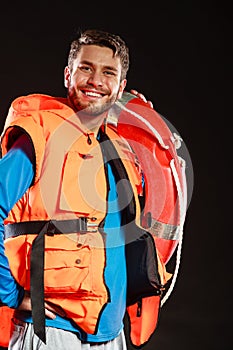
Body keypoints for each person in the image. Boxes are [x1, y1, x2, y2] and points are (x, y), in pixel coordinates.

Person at [0, 29, 187, 350]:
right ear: (67, 74)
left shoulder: (122, 150)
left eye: (108, 72)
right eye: (86, 68)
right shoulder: (38, 138)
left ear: (121, 86)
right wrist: (10, 293)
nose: (95, 80)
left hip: (110, 331)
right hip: (50, 328)